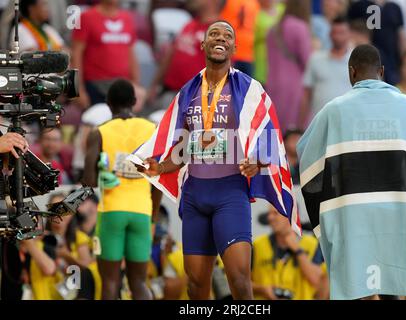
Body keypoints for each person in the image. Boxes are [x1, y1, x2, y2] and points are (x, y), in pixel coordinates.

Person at [131, 20, 299, 300]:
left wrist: (256, 162)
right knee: (196, 285)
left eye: (227, 35)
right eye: (214, 34)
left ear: (234, 46)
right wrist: (159, 167)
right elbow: (181, 146)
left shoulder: (248, 89)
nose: (220, 38)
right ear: (203, 44)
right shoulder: (188, 91)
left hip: (230, 193)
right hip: (195, 195)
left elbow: (269, 135)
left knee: (239, 279)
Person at [297, 44, 406, 300]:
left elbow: (307, 158)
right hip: (400, 214)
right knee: (396, 283)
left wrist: (327, 209)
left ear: (351, 72)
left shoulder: (334, 110)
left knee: (360, 287)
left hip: (354, 216)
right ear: (381, 71)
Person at [82, 79, 162, 300]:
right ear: (135, 102)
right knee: (138, 282)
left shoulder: (99, 132)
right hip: (142, 212)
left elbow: (88, 181)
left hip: (111, 211)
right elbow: (159, 177)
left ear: (108, 103)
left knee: (109, 281)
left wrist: (102, 172)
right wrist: (153, 216)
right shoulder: (152, 129)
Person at [147, 0, 221, 108]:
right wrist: (155, 85)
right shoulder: (190, 24)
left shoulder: (220, 31)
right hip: (171, 93)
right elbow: (170, 55)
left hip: (196, 99)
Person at [71, 0, 140, 109]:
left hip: (122, 86)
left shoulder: (127, 18)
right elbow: (76, 55)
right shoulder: (86, 17)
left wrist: (136, 84)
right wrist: (77, 90)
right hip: (95, 87)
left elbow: (131, 53)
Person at [252, 206, 325, 300]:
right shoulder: (257, 245)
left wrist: (297, 250)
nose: (270, 218)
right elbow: (242, 282)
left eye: (275, 213)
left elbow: (318, 282)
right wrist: (262, 290)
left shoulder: (312, 244)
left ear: (292, 216)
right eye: (269, 214)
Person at [265, 0, 312, 133]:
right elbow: (308, 61)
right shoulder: (300, 27)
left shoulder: (273, 29)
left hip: (272, 85)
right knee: (293, 133)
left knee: (276, 130)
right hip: (294, 86)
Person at [302, 16, 353, 127]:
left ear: (349, 34)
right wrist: (301, 125)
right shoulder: (315, 59)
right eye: (335, 32)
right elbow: (306, 95)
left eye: (342, 32)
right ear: (329, 34)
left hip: (348, 124)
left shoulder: (356, 60)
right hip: (320, 124)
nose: (338, 36)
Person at [220, 0, 260, 76]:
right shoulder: (226, 2)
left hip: (249, 55)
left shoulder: (254, 3)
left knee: (248, 86)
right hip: (230, 54)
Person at [253, 0, 285, 86]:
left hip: (281, 59)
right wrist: (265, 34)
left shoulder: (284, 10)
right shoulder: (256, 13)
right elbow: (252, 37)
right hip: (262, 58)